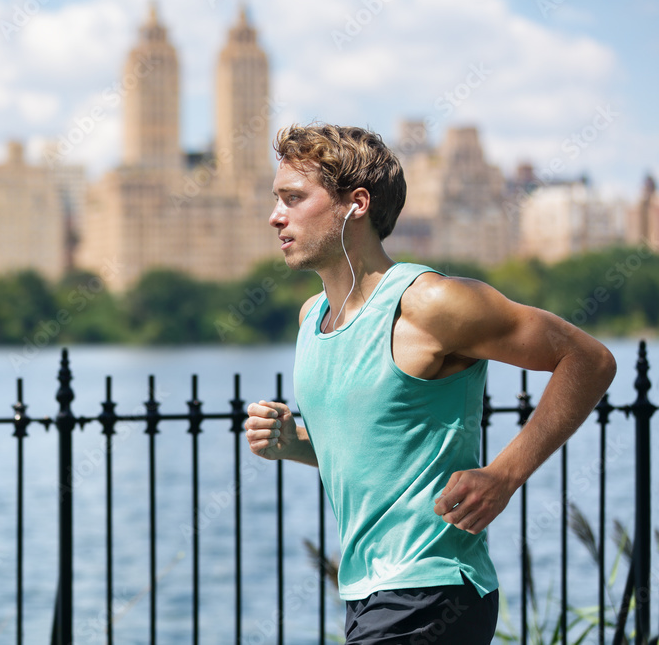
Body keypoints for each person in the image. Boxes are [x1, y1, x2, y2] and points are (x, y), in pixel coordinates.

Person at [245, 123, 616, 644]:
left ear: (356, 203)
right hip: (366, 592)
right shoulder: (314, 318)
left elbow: (588, 359)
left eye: (293, 198)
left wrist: (504, 475)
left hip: (433, 590)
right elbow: (378, 449)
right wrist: (297, 443)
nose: (275, 215)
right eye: (276, 199)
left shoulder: (430, 304)